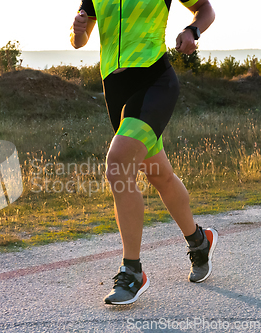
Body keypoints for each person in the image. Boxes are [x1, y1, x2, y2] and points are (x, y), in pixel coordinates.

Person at [71, 0, 218, 305]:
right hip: (115, 89)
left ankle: (132, 272)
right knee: (160, 175)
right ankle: (199, 241)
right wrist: (78, 32)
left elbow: (205, 8)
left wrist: (193, 29)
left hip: (154, 80)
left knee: (117, 164)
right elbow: (79, 40)